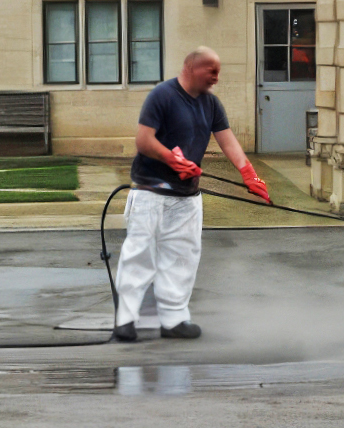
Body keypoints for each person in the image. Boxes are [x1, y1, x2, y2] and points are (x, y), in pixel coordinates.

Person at [113, 46, 268, 341]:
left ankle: (173, 320)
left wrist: (249, 173)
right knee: (140, 255)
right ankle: (125, 320)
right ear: (190, 67)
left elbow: (228, 140)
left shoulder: (211, 104)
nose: (216, 78)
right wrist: (172, 159)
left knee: (182, 257)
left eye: (218, 72)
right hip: (151, 191)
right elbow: (144, 141)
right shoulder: (162, 96)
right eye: (211, 71)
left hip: (186, 197)